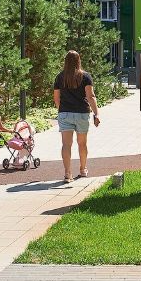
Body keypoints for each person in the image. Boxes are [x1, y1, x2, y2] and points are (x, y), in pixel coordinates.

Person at [53, 50, 99, 182]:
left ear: (66, 61)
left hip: (65, 113)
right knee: (82, 143)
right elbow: (90, 97)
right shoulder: (85, 76)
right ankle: (83, 169)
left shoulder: (60, 77)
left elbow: (56, 98)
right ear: (78, 60)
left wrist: (61, 110)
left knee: (66, 145)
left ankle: (68, 174)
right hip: (82, 113)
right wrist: (96, 113)